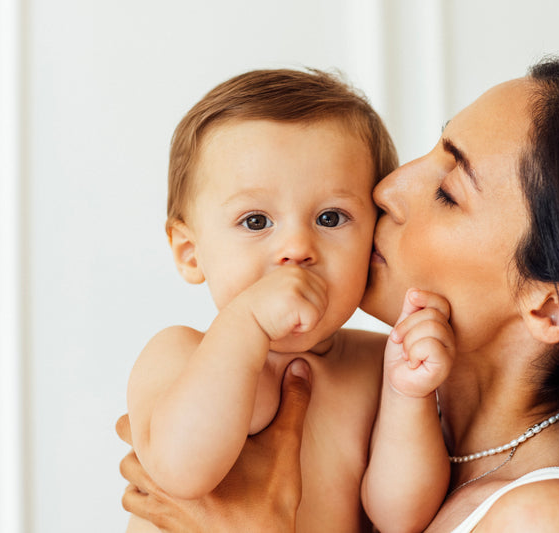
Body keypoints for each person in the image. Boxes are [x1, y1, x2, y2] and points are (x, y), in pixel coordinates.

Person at [119, 57, 559, 532]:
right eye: (257, 221)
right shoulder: (422, 410)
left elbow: (395, 510)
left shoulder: (539, 518)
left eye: (448, 190)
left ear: (549, 304)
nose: (384, 188)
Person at [125, 67, 455, 533]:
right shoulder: (179, 354)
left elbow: (401, 517)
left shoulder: (377, 365)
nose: (297, 247)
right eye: (256, 221)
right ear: (190, 253)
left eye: (330, 217)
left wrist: (408, 395)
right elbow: (182, 472)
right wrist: (246, 323)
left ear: (374, 239)